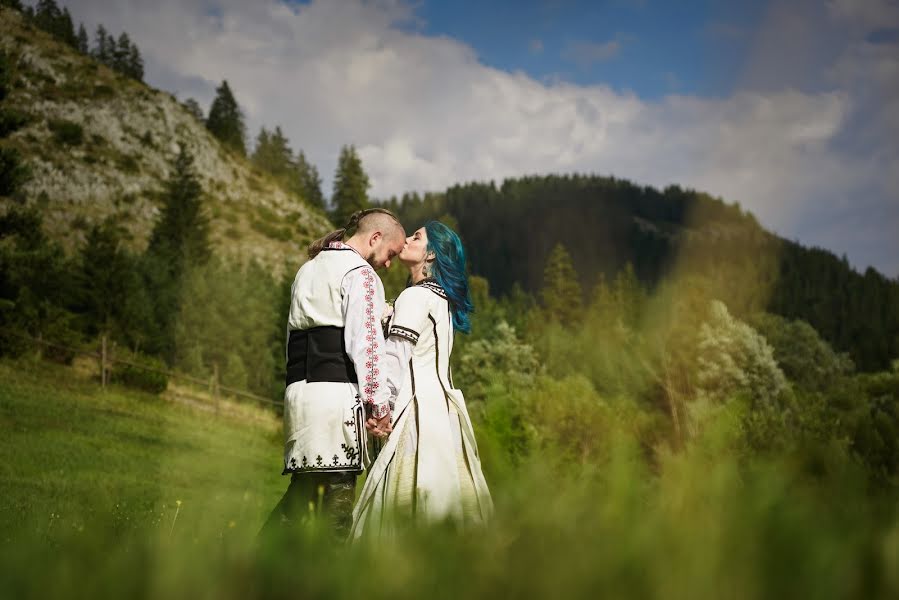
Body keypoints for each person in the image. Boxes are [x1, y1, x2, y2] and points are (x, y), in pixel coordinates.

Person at [260, 208, 406, 540]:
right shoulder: (361, 275)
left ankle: (255, 570)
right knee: (336, 514)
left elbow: (291, 341)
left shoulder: (307, 270)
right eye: (391, 254)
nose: (388, 263)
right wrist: (379, 408)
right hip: (336, 403)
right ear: (374, 238)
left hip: (300, 398)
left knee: (301, 498)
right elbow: (366, 347)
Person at [349, 221, 493, 539]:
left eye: (417, 237)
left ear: (431, 255)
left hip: (415, 416)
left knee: (406, 506)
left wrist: (379, 408)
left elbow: (396, 359)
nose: (408, 240)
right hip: (444, 415)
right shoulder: (440, 300)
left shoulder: (415, 298)